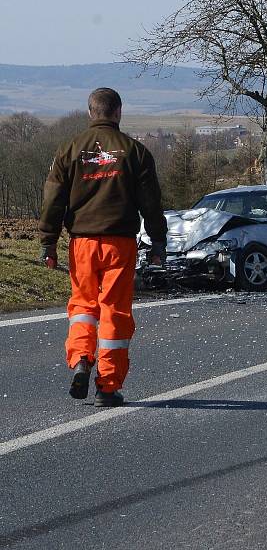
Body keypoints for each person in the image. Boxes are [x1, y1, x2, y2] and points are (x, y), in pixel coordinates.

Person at [38, 87, 167, 407]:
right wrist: (158, 242)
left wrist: (48, 243)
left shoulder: (69, 150)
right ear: (118, 112)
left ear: (90, 113)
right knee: (114, 310)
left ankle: (82, 357)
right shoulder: (135, 152)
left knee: (83, 305)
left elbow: (53, 199)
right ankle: (107, 386)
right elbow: (151, 204)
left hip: (82, 242)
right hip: (120, 243)